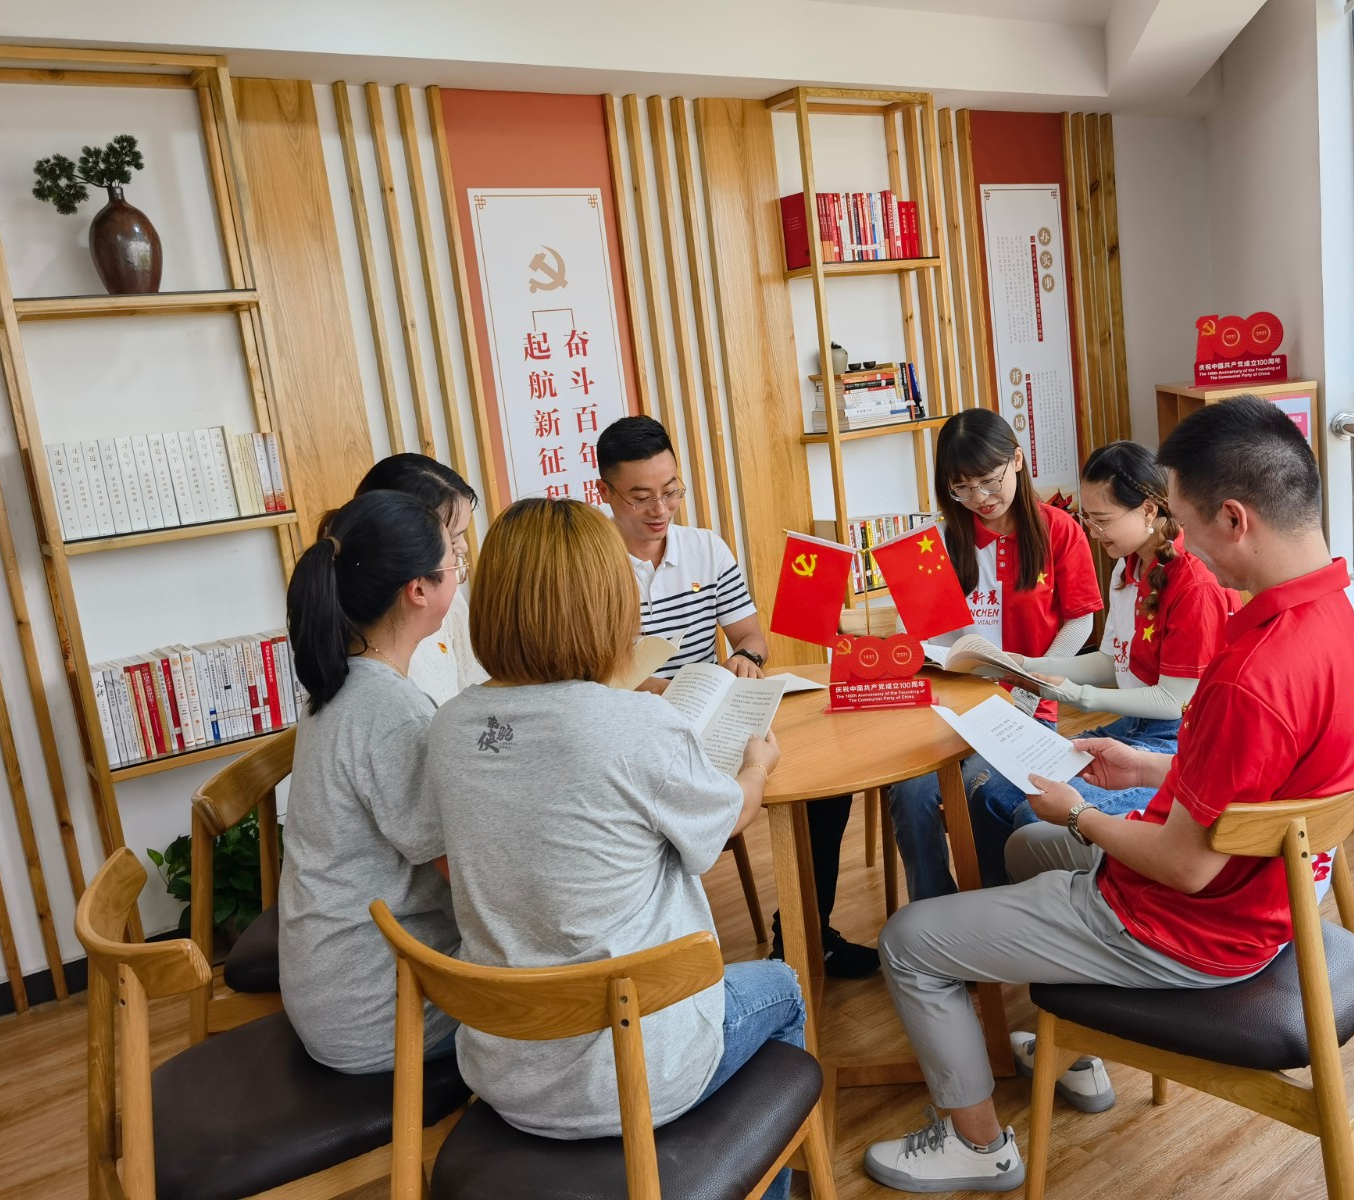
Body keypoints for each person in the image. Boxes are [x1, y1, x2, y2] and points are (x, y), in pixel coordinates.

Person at [862, 396, 1354, 1192]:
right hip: (1278, 898)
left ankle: (979, 1148)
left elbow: (1184, 866)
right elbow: (1259, 791)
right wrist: (1148, 770)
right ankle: (1075, 1047)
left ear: (1234, 519)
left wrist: (1081, 812)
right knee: (1026, 845)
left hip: (1192, 929)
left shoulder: (1253, 673)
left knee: (909, 940)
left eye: (1181, 521)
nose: (1176, 542)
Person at [427, 498, 804, 1200]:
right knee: (782, 988)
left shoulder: (450, 727)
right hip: (631, 1071)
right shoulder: (635, 723)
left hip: (504, 1068)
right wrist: (757, 768)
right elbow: (724, 823)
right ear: (605, 604)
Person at [965, 440, 1243, 1110]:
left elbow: (1175, 700)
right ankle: (1011, 941)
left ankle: (1079, 1016)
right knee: (991, 787)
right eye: (1085, 518)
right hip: (1131, 725)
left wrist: (1078, 697)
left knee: (1033, 807)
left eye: (1100, 519)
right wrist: (1029, 665)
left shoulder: (1192, 582)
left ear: (1150, 509)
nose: (1090, 531)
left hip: (1168, 741)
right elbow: (1114, 663)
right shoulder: (1128, 566)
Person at [596, 415, 878, 978]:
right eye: (640, 497)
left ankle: (803, 935)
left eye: (671, 491)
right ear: (605, 493)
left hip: (709, 723)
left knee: (821, 785)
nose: (660, 509)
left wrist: (745, 660)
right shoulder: (590, 564)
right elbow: (588, 671)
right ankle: (661, 967)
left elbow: (751, 635)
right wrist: (654, 688)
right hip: (630, 736)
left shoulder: (706, 549)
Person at [278, 490, 463, 1073]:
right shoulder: (391, 712)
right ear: (419, 590)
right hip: (379, 1013)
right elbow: (465, 876)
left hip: (335, 987)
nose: (461, 568)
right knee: (570, 980)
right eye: (454, 558)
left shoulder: (342, 684)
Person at [887, 407, 1103, 902]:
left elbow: (1081, 621)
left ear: (1018, 461)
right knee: (911, 793)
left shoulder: (1058, 530)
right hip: (949, 709)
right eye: (962, 488)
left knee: (980, 788)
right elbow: (916, 637)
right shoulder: (940, 541)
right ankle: (934, 913)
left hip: (1025, 707)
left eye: (988, 481)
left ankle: (992, 905)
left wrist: (1037, 680)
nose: (979, 499)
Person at [355, 453, 487, 705]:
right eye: (453, 539)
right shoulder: (374, 656)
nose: (464, 547)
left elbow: (472, 682)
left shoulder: (446, 596)